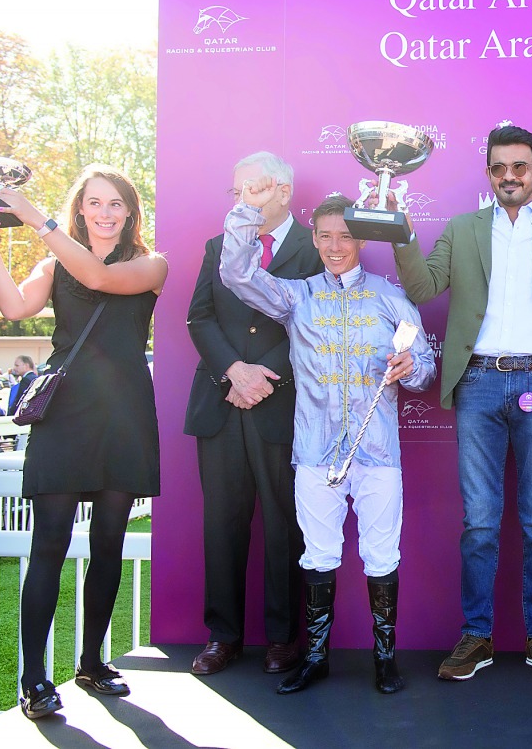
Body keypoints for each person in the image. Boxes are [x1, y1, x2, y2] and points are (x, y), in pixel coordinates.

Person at [393, 123, 532, 680]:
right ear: (489, 174)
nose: (509, 176)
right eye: (499, 167)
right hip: (476, 382)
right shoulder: (462, 228)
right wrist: (396, 227)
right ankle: (476, 636)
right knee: (479, 522)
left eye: (519, 167)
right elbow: (423, 289)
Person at [0, 164, 167, 719]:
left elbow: (100, 280)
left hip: (123, 413)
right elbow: (13, 308)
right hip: (65, 412)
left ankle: (93, 662)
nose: (104, 213)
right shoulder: (55, 262)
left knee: (108, 545)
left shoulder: (151, 264)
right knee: (47, 546)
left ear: (130, 213)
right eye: (94, 203)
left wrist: (35, 217)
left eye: (115, 205)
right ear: (81, 209)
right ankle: (33, 680)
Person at [221, 187, 435, 694]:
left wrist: (412, 368)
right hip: (315, 452)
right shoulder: (297, 296)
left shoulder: (390, 297)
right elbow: (237, 275)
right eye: (325, 236)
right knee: (318, 556)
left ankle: (386, 659)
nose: (335, 246)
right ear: (313, 239)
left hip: (377, 450)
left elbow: (425, 371)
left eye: (345, 235)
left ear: (361, 239)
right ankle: (315, 658)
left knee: (382, 555)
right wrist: (248, 211)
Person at [185, 151, 321, 678]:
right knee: (222, 524)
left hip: (282, 404)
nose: (245, 199)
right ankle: (224, 636)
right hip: (221, 401)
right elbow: (200, 317)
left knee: (285, 526)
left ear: (283, 191)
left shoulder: (318, 248)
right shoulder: (218, 247)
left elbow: (318, 323)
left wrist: (263, 376)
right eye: (237, 191)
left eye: (256, 188)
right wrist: (234, 371)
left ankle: (284, 637)